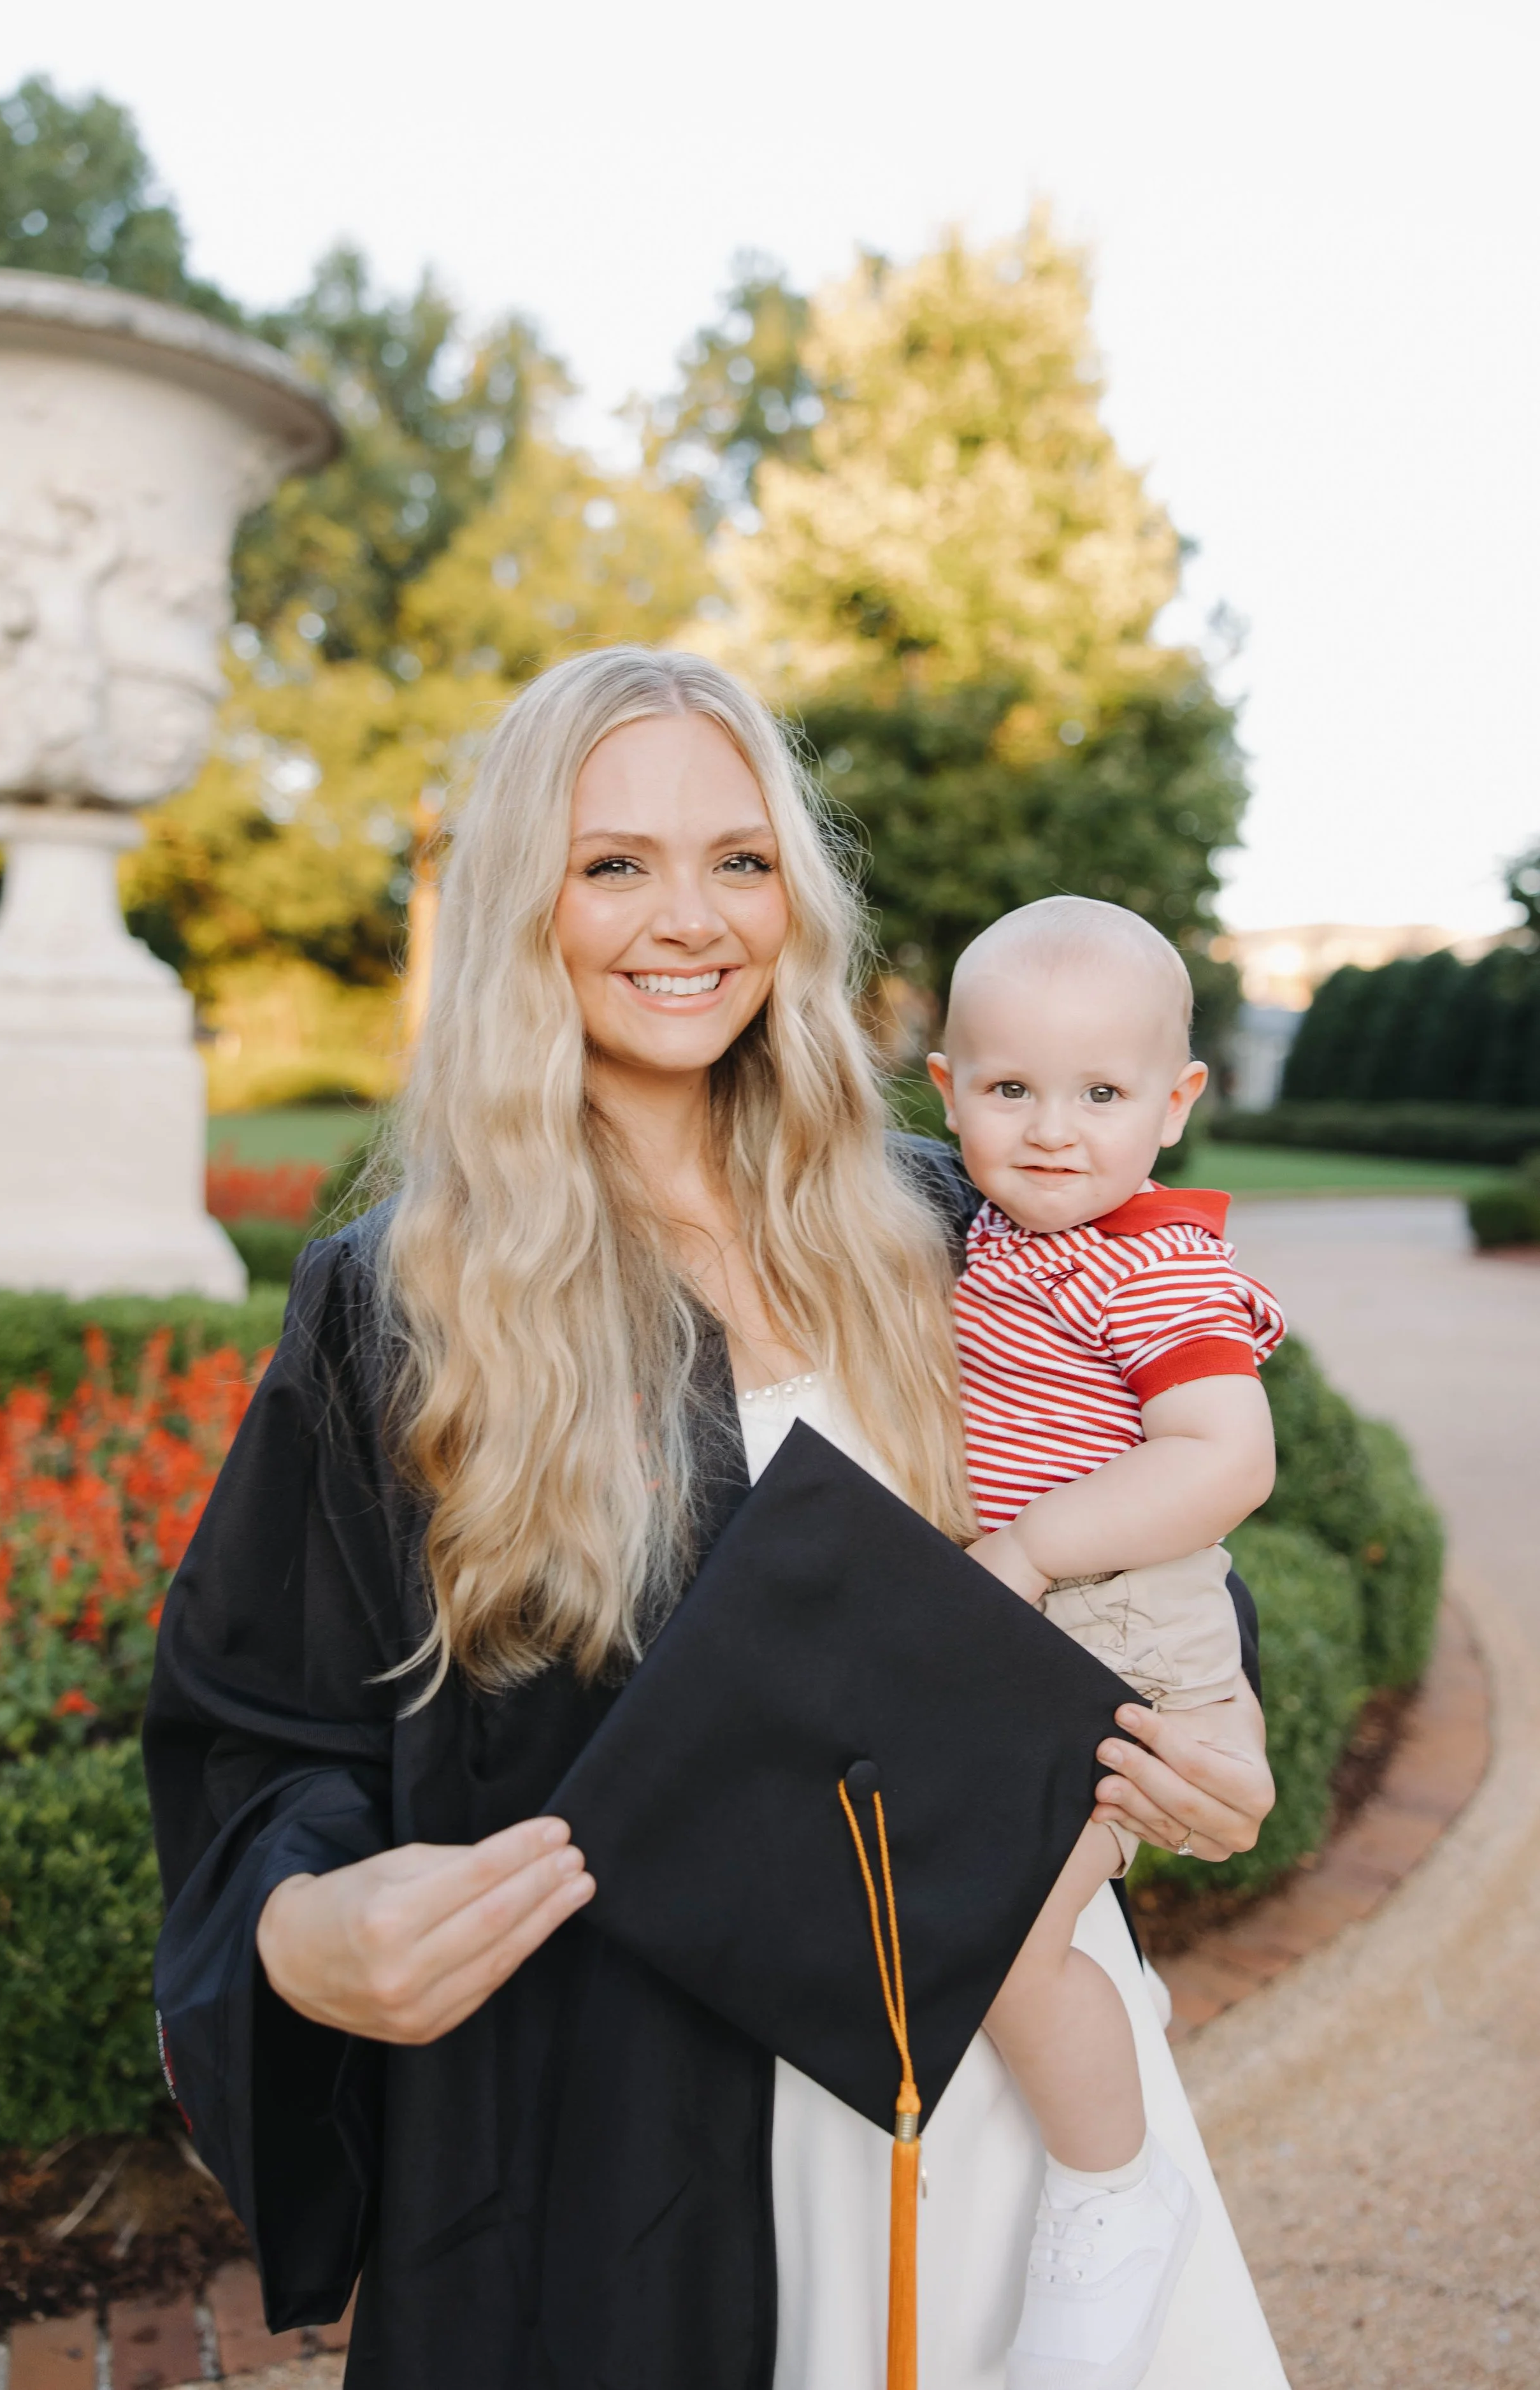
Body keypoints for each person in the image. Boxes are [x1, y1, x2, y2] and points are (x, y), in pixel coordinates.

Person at [144, 648, 1284, 2390]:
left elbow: (1123, 1502)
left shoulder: (942, 1217)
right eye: (615, 862)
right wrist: (301, 1924)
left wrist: (1213, 1718)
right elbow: (257, 1732)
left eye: (738, 859)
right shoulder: (399, 1305)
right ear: (527, 896)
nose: (687, 919)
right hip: (630, 2148)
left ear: (796, 897)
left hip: (1008, 2070)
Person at [924, 898, 1286, 2387]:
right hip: (1040, 1615)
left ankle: (1110, 2195)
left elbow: (1223, 1459)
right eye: (1010, 1090)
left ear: (1175, 1106)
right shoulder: (995, 1230)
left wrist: (1023, 1548)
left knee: (1014, 1924)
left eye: (1101, 1094)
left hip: (1115, 1623)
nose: (1054, 1131)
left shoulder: (1153, 1269)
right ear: (944, 1092)